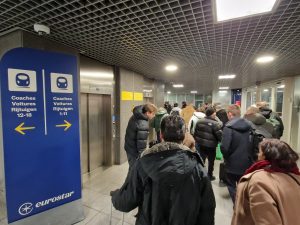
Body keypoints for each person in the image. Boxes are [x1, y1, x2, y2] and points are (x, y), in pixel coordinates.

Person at [111, 115, 216, 225]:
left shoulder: (143, 163)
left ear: (161, 135)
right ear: (184, 136)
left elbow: (126, 202)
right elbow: (207, 210)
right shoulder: (198, 168)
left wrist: (115, 195)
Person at [232, 139, 300, 225]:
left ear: (266, 156)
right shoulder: (295, 178)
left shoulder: (259, 181)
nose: (257, 155)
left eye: (260, 153)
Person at [220, 104, 253, 203]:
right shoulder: (249, 126)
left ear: (230, 114)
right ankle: (243, 204)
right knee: (243, 185)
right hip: (247, 162)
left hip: (232, 163)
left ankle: (237, 206)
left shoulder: (228, 127)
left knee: (231, 185)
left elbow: (225, 147)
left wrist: (226, 157)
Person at [194, 107, 222, 180]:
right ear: (212, 114)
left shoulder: (199, 121)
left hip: (201, 145)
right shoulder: (215, 123)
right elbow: (219, 135)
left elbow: (195, 133)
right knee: (211, 161)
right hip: (211, 146)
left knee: (201, 160)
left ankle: (201, 174)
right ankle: (209, 175)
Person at [124, 103, 157, 168]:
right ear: (147, 113)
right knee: (135, 172)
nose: (154, 116)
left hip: (129, 147)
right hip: (134, 152)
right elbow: (141, 144)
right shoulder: (143, 123)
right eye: (153, 114)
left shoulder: (136, 115)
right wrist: (142, 157)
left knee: (132, 169)